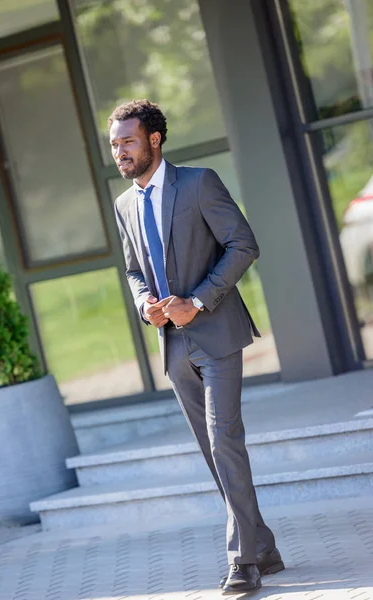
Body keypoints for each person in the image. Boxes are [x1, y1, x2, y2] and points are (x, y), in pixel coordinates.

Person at [109, 99, 284, 595]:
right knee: (213, 452)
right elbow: (134, 270)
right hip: (172, 345)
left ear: (154, 139)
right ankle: (265, 548)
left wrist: (200, 301)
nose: (120, 152)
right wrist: (146, 304)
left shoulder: (198, 182)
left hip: (216, 332)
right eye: (115, 144)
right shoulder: (124, 204)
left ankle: (242, 561)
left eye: (128, 141)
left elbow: (243, 244)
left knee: (225, 440)